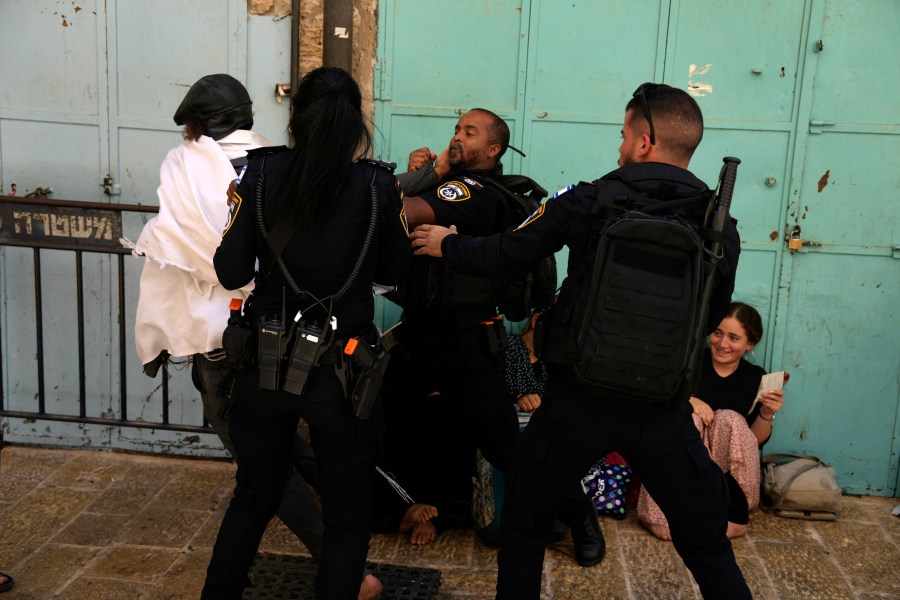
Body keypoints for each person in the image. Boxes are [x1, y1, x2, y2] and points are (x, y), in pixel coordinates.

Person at [410, 83, 750, 598]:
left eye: (623, 136)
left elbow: (511, 253)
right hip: (661, 410)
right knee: (706, 545)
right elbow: (706, 318)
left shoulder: (591, 198)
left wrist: (450, 244)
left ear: (643, 142)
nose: (619, 148)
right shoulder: (718, 226)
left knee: (524, 524)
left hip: (577, 402)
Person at [201, 66, 411, 600]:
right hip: (341, 376)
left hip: (264, 368)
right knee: (346, 512)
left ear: (294, 117)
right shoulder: (377, 186)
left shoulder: (261, 174)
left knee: (254, 495)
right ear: (356, 125)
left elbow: (230, 273)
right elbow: (395, 270)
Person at [131, 73, 337, 580]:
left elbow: (188, 243)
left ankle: (340, 563)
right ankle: (369, 515)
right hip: (281, 328)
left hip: (221, 339)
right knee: (286, 439)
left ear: (198, 125)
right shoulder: (278, 160)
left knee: (259, 463)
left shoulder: (183, 165)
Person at [382, 109, 604, 566]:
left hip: (467, 345)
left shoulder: (470, 190)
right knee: (377, 422)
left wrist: (428, 174)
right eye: (457, 130)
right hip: (421, 336)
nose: (457, 138)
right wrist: (425, 175)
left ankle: (579, 515)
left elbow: (394, 213)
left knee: (506, 448)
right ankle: (401, 508)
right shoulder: (456, 186)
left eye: (470, 133)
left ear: (494, 150)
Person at [638, 302, 785, 540]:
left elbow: (752, 440)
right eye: (718, 333)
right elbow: (655, 407)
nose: (722, 343)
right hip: (681, 467)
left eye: (734, 338)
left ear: (750, 344)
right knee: (688, 417)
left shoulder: (755, 378)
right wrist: (690, 401)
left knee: (730, 419)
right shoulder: (689, 364)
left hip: (724, 477)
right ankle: (663, 516)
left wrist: (767, 414)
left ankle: (728, 512)